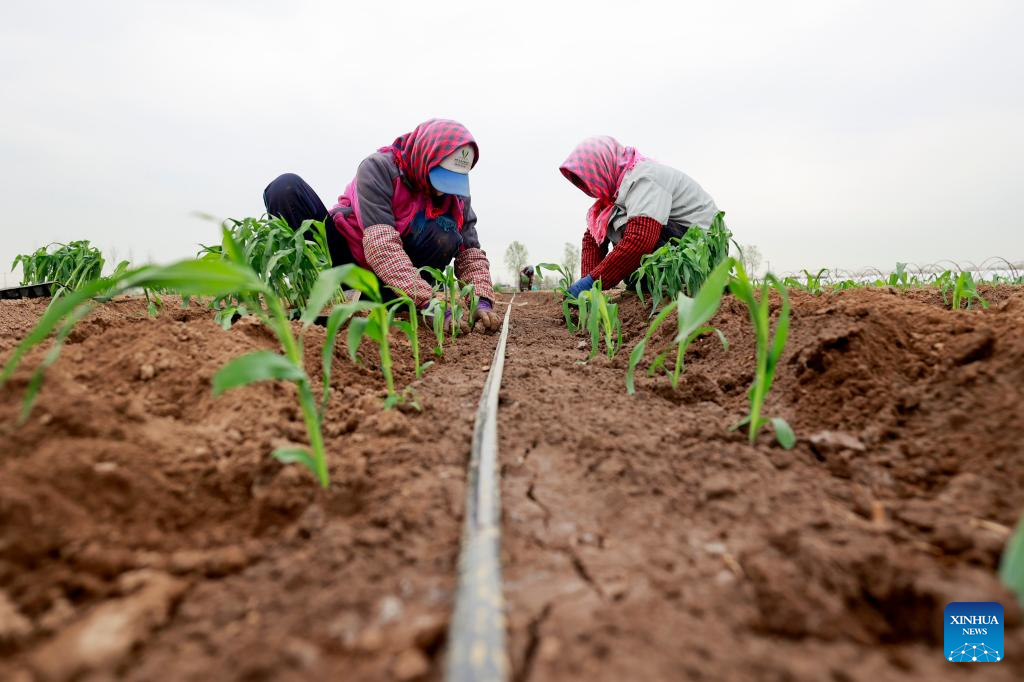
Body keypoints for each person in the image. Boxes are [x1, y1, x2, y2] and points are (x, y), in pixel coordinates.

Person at [263, 118, 501, 332]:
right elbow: (381, 246)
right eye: (440, 177)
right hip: (346, 262)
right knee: (286, 189)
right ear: (425, 156)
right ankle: (325, 298)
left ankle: (399, 303)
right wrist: (428, 302)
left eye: (453, 181)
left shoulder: (456, 194)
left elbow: (470, 252)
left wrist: (481, 300)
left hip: (396, 287)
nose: (443, 190)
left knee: (444, 233)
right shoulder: (379, 169)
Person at [558, 136, 721, 298]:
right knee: (618, 228)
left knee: (633, 230)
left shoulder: (645, 179)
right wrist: (586, 292)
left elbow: (640, 239)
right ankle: (649, 283)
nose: (591, 189)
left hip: (701, 251)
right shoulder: (612, 200)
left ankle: (675, 284)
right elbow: (593, 239)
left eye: (591, 179)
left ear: (603, 168)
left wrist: (592, 282)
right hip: (676, 239)